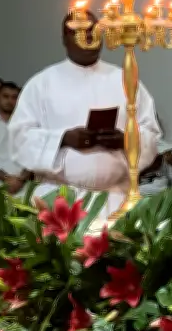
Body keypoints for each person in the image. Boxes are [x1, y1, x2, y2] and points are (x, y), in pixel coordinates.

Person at [8, 12, 161, 217]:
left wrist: (125, 140)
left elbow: (150, 131)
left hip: (115, 198)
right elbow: (19, 137)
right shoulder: (42, 84)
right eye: (78, 31)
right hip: (58, 199)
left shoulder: (125, 79)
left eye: (93, 31)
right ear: (64, 38)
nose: (88, 37)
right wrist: (63, 138)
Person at [0, 81, 28, 191]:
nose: (10, 101)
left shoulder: (26, 124)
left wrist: (20, 180)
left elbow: (32, 154)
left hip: (23, 185)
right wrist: (6, 178)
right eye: (5, 96)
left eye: (14, 97)